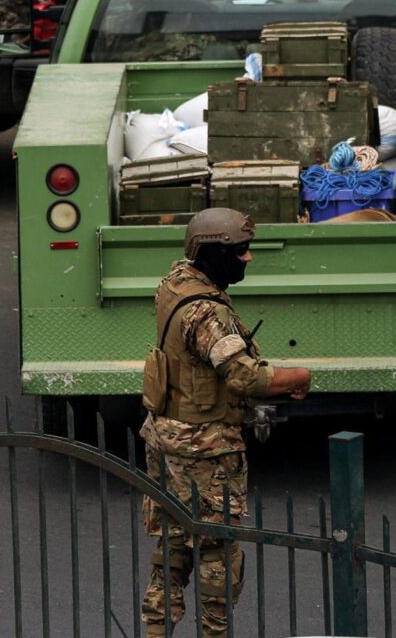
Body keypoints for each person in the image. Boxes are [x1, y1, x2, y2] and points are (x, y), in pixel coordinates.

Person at [140, 207, 312, 637]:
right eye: (240, 251)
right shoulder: (205, 314)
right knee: (218, 552)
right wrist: (296, 378)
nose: (247, 258)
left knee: (173, 546)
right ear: (214, 254)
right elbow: (244, 376)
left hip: (166, 439)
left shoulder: (177, 283)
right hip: (206, 451)